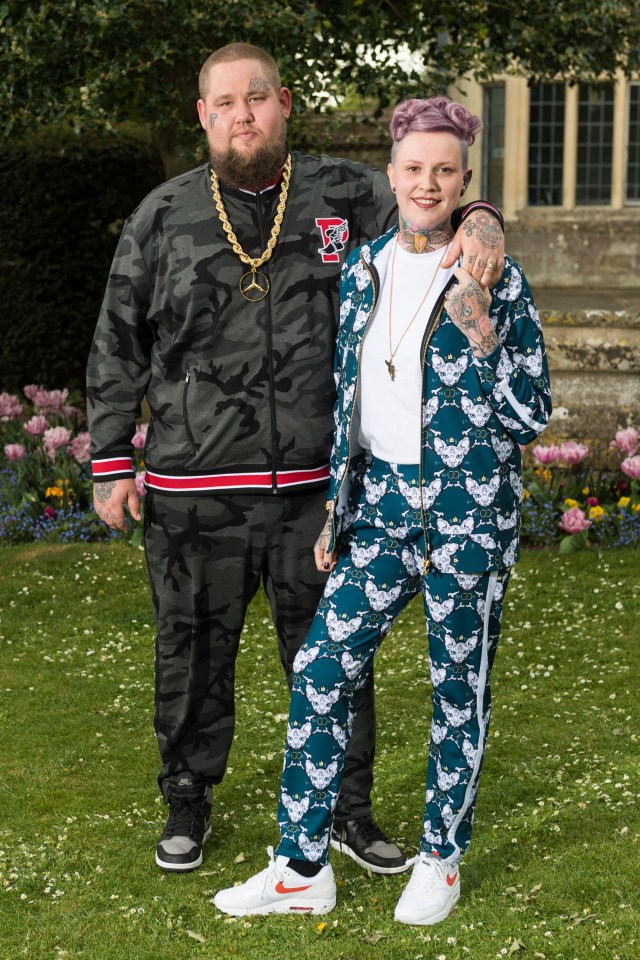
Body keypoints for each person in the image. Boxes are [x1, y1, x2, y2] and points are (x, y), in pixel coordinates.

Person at [87, 44, 507, 877]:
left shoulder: (347, 194)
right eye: (225, 103)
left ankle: (349, 813)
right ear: (204, 117)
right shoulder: (161, 214)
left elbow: (434, 203)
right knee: (191, 656)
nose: (243, 114)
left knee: (336, 661)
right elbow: (118, 338)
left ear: (285, 105)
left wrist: (486, 216)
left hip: (317, 494)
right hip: (189, 492)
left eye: (257, 98)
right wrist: (107, 458)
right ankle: (187, 804)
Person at [213, 95, 551, 924]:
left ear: (466, 180)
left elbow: (530, 413)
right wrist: (338, 509)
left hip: (468, 516)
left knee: (455, 690)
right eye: (413, 168)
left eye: (445, 170)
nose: (427, 182)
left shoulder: (496, 279)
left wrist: (484, 337)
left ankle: (442, 859)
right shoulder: (362, 269)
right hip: (384, 510)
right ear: (392, 175)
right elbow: (355, 405)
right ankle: (300, 867)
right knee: (321, 670)